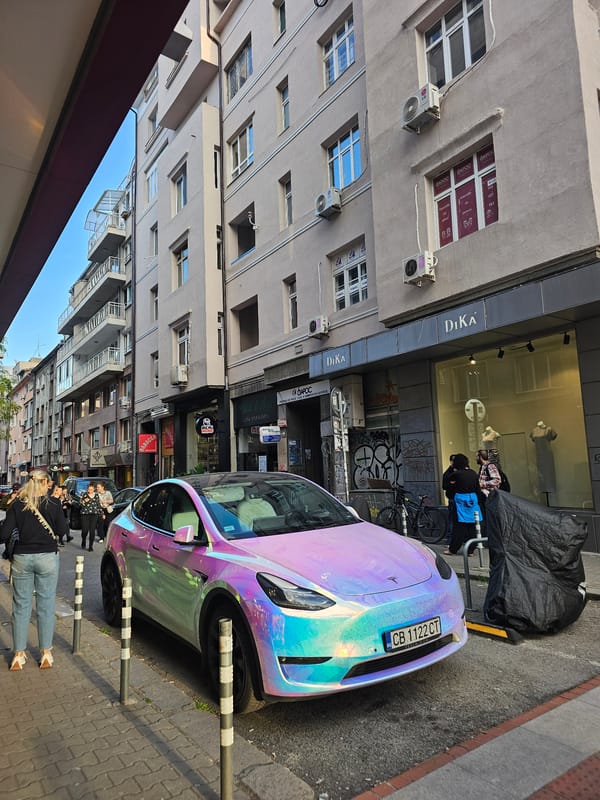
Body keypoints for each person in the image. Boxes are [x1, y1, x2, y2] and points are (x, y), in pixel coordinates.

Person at [0, 470, 68, 671]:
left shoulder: (18, 504)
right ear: (46, 483)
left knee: (21, 606)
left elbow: (3, 534)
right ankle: (46, 653)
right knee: (46, 605)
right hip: (47, 557)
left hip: (22, 558)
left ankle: (18, 655)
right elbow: (63, 531)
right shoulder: (54, 504)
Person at [443, 453, 482, 556]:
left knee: (459, 526)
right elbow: (478, 488)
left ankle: (453, 549)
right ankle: (471, 550)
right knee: (472, 526)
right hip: (472, 501)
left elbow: (447, 486)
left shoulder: (456, 475)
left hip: (460, 501)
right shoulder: (473, 473)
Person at [80, 482, 103, 551]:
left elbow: (98, 505)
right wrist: (84, 501)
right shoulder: (84, 494)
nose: (90, 490)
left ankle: (90, 546)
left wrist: (102, 513)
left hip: (94, 514)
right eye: (89, 489)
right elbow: (80, 503)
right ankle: (83, 540)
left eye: (91, 489)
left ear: (94, 489)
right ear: (87, 489)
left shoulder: (96, 496)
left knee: (92, 530)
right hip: (85, 514)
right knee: (85, 530)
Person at [441, 454, 456, 545]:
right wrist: (452, 484)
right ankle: (450, 540)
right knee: (452, 520)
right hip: (452, 498)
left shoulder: (458, 471)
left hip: (457, 498)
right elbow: (444, 486)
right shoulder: (448, 473)